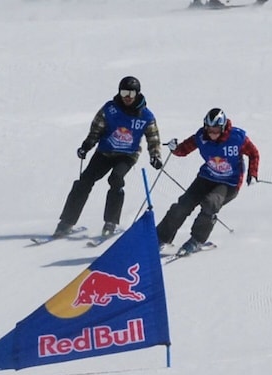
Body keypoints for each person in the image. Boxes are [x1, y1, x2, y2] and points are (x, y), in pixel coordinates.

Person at [56, 76, 164, 240]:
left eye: (131, 93)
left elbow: (153, 138)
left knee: (116, 178)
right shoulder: (110, 109)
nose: (127, 97)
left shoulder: (146, 116)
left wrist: (155, 156)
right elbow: (96, 130)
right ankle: (66, 222)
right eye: (124, 92)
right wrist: (86, 146)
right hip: (105, 153)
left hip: (127, 155)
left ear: (137, 94)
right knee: (84, 181)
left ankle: (111, 222)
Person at [156, 108, 259, 255]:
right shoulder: (201, 137)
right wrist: (174, 148)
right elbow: (184, 149)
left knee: (211, 203)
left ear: (223, 128)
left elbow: (254, 153)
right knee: (183, 204)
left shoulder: (237, 138)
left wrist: (252, 173)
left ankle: (197, 239)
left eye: (216, 130)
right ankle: (160, 237)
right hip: (206, 177)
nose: (212, 134)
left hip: (229, 183)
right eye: (210, 129)